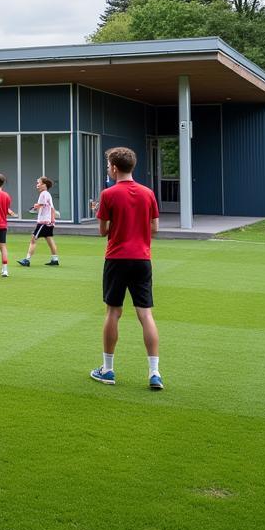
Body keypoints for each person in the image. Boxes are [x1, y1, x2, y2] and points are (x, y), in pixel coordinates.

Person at [90, 146, 163, 391]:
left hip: (117, 259)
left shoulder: (108, 194)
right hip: (142, 259)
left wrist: (117, 226)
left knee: (113, 312)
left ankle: (108, 369)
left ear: (113, 167)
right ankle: (154, 372)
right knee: (146, 314)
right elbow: (154, 228)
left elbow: (102, 231)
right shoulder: (147, 193)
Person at [18, 176, 60, 267]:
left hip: (43, 222)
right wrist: (53, 221)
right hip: (48, 222)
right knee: (49, 239)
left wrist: (36, 206)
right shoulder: (47, 194)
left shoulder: (43, 194)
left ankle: (27, 260)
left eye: (39, 183)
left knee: (33, 239)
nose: (37, 185)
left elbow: (42, 204)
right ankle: (55, 259)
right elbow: (51, 208)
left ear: (44, 185)